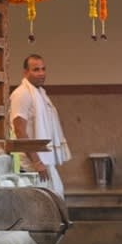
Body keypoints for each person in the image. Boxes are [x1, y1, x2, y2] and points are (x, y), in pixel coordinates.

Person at [9, 54, 71, 198]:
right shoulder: (22, 94)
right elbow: (19, 130)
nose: (41, 73)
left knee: (55, 199)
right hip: (30, 165)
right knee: (43, 203)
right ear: (25, 72)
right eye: (36, 70)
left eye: (43, 69)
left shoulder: (40, 93)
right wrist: (36, 162)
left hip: (43, 162)